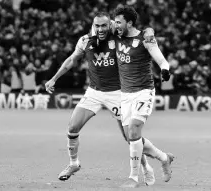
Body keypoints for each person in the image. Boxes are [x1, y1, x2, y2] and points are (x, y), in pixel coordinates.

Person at [45, 12, 156, 185]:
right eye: (97, 26)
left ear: (111, 25)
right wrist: (54, 78)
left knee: (130, 137)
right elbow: (71, 60)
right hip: (94, 92)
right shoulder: (85, 41)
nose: (100, 29)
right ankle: (74, 163)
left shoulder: (119, 37)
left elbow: (139, 31)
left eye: (104, 25)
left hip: (118, 93)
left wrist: (149, 31)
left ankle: (146, 167)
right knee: (73, 127)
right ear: (93, 26)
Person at [113, 6, 174, 188]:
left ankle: (133, 178)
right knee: (131, 137)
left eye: (119, 22)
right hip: (125, 93)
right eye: (114, 22)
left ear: (129, 23)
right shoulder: (115, 34)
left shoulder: (145, 39)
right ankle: (164, 158)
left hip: (143, 91)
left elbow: (161, 59)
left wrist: (165, 69)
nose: (115, 25)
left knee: (133, 131)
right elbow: (97, 25)